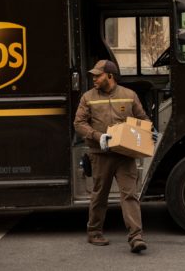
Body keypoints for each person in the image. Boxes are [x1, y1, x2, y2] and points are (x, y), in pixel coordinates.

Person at [74, 59, 150, 253]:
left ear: (110, 76)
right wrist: (97, 136)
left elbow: (143, 120)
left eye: (97, 75)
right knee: (100, 194)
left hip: (125, 155)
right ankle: (94, 232)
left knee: (129, 194)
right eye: (93, 76)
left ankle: (136, 236)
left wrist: (140, 137)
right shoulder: (88, 97)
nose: (94, 79)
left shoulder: (129, 95)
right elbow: (79, 123)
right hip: (100, 154)